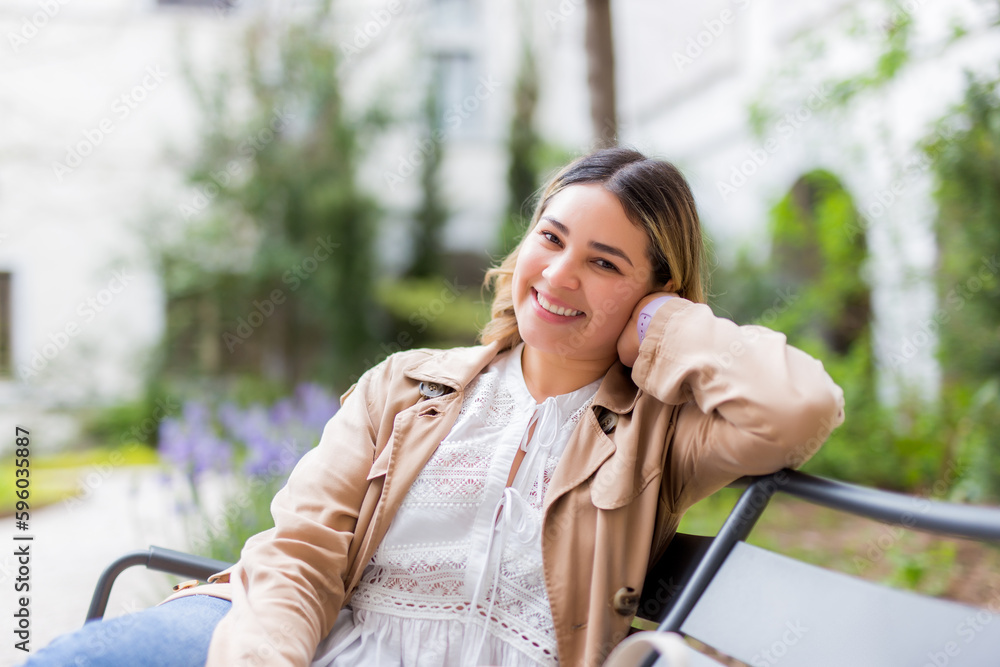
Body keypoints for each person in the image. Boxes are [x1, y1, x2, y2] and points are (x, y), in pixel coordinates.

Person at [24, 147, 844, 667]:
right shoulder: (407, 384)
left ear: (652, 290)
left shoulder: (656, 434)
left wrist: (664, 327)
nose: (558, 277)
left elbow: (798, 407)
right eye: (550, 239)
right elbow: (303, 550)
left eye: (603, 262)